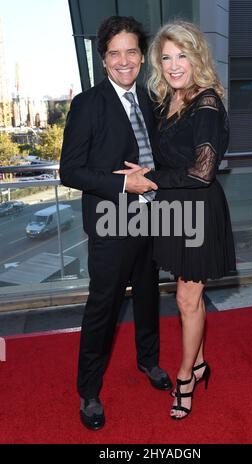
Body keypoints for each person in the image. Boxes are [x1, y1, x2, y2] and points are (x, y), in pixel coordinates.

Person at [118, 21, 236, 420]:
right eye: (166, 57)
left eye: (181, 55)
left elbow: (202, 172)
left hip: (199, 209)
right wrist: (144, 169)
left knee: (187, 299)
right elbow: (170, 156)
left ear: (196, 56)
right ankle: (199, 362)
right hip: (176, 210)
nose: (173, 65)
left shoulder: (205, 102)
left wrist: (147, 177)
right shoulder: (170, 99)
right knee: (189, 298)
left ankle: (185, 377)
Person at [59, 16, 172, 431]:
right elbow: (69, 171)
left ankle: (149, 361)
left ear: (141, 57)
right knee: (102, 309)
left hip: (153, 217)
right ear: (103, 60)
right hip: (111, 223)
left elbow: (158, 154)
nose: (123, 60)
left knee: (147, 296)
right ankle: (88, 392)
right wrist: (123, 183)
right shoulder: (88, 104)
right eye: (114, 53)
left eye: (131, 52)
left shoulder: (149, 99)